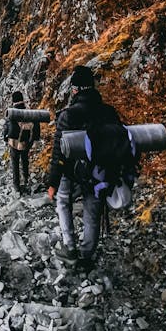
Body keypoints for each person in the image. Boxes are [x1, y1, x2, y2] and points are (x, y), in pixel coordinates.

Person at [47, 65, 122, 272]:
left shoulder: (68, 115)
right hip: (100, 172)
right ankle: (87, 255)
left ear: (74, 90)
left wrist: (52, 182)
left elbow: (58, 152)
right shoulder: (108, 112)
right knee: (92, 211)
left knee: (63, 202)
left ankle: (70, 248)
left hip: (71, 172)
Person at [3, 90, 40, 195]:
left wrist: (5, 137)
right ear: (22, 100)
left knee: (15, 163)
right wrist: (34, 140)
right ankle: (26, 179)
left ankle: (17, 185)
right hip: (26, 142)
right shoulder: (29, 112)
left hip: (13, 142)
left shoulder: (11, 112)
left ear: (13, 100)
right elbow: (36, 126)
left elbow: (7, 126)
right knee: (25, 160)